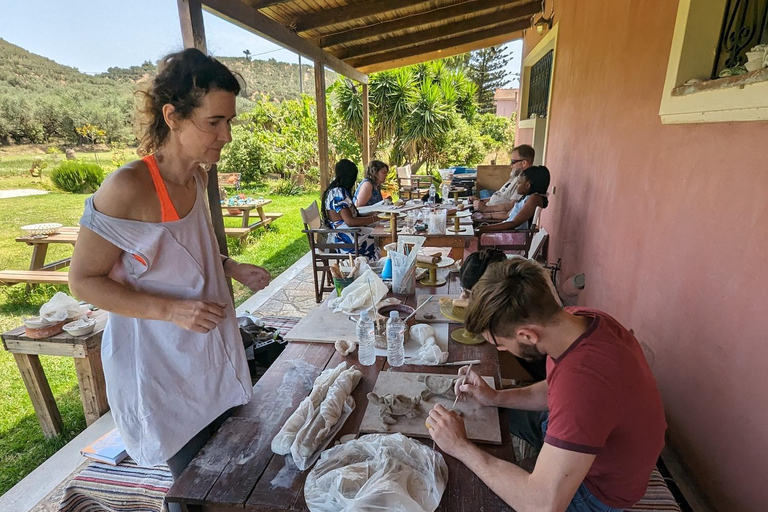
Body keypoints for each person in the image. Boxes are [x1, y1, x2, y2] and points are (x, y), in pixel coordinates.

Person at [68, 49, 271, 495]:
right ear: (173, 116)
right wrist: (172, 311)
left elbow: (185, 253)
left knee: (226, 466)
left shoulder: (196, 178)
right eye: (214, 122)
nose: (227, 135)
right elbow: (83, 280)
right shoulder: (128, 187)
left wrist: (232, 267)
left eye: (229, 122)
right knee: (194, 483)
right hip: (161, 363)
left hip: (209, 349)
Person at [427, 258, 666, 512]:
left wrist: (460, 447)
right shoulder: (575, 322)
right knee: (494, 417)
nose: (501, 349)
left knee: (474, 495)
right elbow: (557, 387)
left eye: (500, 344)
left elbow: (542, 505)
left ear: (528, 335)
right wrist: (495, 397)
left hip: (598, 491)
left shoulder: (584, 385)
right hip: (597, 441)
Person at [459, 249, 547, 382]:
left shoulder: (519, 291)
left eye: (470, 293)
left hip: (541, 361)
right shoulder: (503, 268)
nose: (463, 297)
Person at [322, 159, 379, 260]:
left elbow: (353, 215)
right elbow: (350, 221)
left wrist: (373, 215)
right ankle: (372, 267)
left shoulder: (340, 190)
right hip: (346, 239)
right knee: (380, 240)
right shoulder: (337, 193)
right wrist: (376, 218)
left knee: (378, 234)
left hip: (349, 233)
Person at [476, 165, 550, 233]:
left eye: (519, 183)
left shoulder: (533, 199)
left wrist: (486, 228)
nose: (516, 186)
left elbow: (514, 223)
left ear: (528, 185)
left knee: (471, 240)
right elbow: (507, 215)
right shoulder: (526, 198)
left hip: (514, 236)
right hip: (510, 233)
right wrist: (485, 215)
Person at [473, 144, 535, 212]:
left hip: (492, 216)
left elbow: (512, 207)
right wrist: (479, 201)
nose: (510, 165)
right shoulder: (515, 176)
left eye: (513, 162)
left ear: (524, 163)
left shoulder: (523, 183)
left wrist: (485, 209)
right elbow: (500, 196)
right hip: (487, 210)